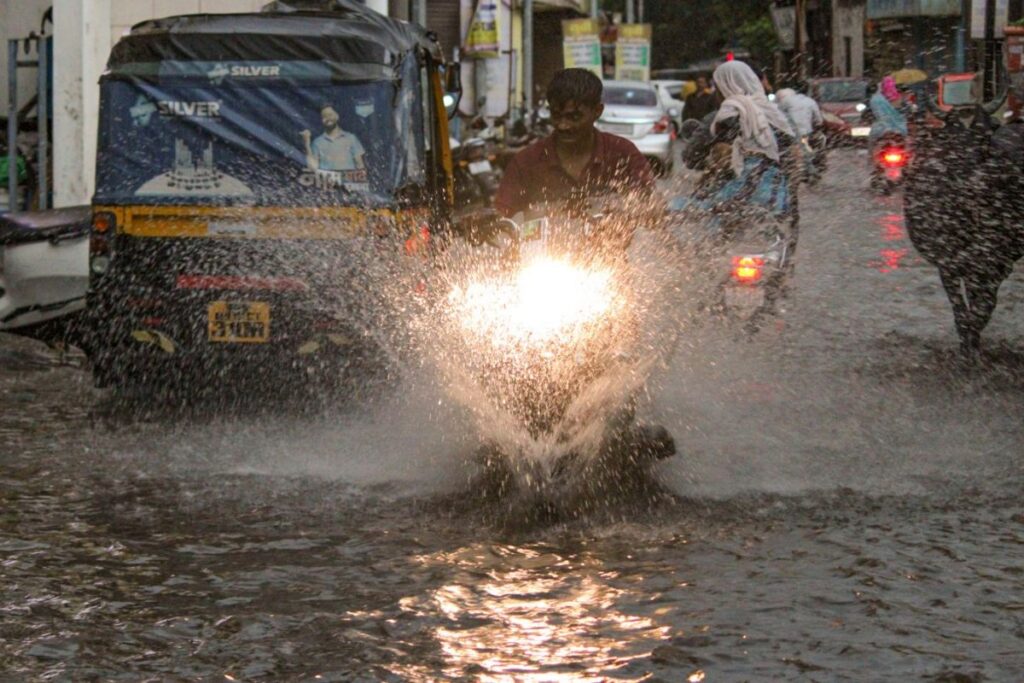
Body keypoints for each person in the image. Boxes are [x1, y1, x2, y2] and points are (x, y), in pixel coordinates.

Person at [493, 68, 655, 230]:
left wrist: (624, 212)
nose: (563, 125)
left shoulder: (623, 153)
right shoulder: (527, 161)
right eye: (557, 115)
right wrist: (490, 224)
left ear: (597, 111)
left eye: (574, 117)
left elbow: (650, 203)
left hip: (610, 244)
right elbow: (500, 214)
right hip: (543, 245)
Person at [675, 60, 797, 238]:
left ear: (725, 87)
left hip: (730, 196)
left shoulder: (723, 115)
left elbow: (691, 157)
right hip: (776, 196)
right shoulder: (778, 116)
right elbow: (793, 154)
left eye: (717, 87)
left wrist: (711, 159)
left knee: (675, 211)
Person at [300, 104, 366, 172]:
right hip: (327, 178)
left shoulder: (351, 138)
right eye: (324, 116)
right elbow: (313, 168)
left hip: (348, 178)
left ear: (337, 116)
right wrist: (307, 143)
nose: (328, 118)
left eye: (330, 115)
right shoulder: (317, 142)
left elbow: (360, 165)